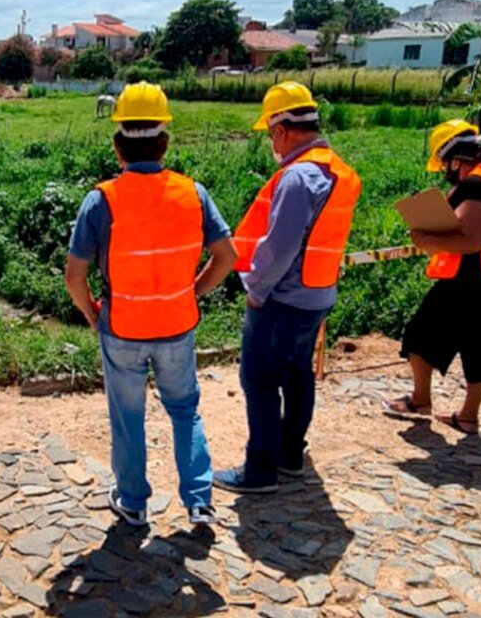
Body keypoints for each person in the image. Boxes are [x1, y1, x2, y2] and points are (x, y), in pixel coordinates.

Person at [64, 82, 237, 527]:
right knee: (185, 410)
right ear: (165, 142)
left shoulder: (101, 199)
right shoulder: (193, 194)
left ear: (118, 144)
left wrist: (91, 313)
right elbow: (227, 256)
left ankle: (134, 502)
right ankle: (199, 501)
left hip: (122, 328)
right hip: (178, 325)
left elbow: (74, 275)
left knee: (127, 417)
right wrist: (192, 292)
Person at [213, 82, 361, 495]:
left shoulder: (298, 178)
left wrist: (255, 289)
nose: (270, 142)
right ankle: (290, 455)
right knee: (297, 374)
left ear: (280, 130)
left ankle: (259, 471)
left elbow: (279, 248)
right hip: (318, 293)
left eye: (269, 134)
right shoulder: (337, 170)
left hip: (282, 299)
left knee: (258, 379)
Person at [384, 119, 481, 434]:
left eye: (446, 164)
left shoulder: (474, 186)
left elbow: (472, 240)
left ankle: (420, 400)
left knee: (418, 336)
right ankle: (468, 416)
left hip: (465, 280)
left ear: (457, 159)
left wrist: (427, 240)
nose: (447, 170)